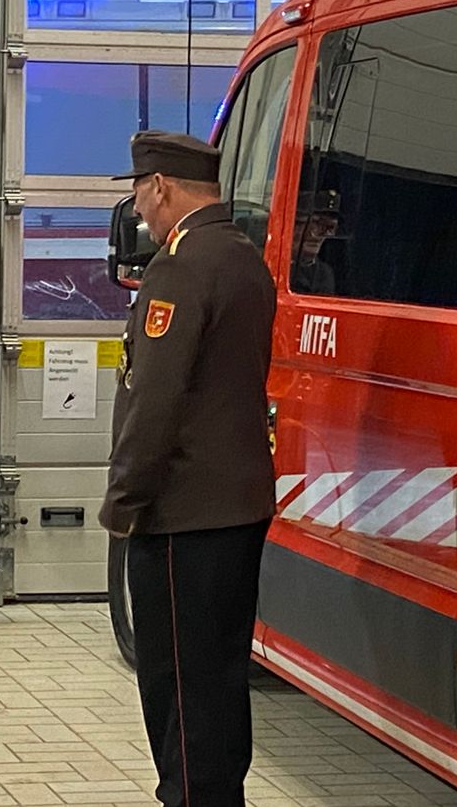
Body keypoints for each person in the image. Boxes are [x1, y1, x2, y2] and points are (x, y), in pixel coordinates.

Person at [100, 130, 276, 807]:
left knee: (178, 688)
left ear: (162, 187)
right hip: (235, 510)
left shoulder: (180, 267)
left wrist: (124, 500)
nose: (140, 210)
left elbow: (155, 402)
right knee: (218, 681)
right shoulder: (240, 256)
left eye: (141, 193)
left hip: (181, 517)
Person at [291, 188, 339, 295]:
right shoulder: (263, 263)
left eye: (328, 228)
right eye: (312, 224)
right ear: (292, 225)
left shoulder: (324, 273)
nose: (316, 235)